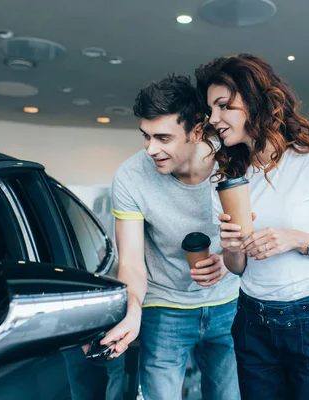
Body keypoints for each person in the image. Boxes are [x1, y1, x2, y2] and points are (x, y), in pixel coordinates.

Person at [195, 54, 309, 400]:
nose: (214, 119)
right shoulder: (227, 180)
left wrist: (298, 240)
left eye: (224, 106)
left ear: (255, 103)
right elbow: (237, 268)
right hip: (252, 322)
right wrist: (231, 247)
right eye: (211, 109)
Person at [101, 74, 241, 400]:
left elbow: (253, 232)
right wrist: (132, 310)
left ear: (195, 130)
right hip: (164, 310)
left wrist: (229, 261)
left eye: (163, 138)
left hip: (229, 305)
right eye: (146, 137)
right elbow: (132, 264)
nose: (151, 149)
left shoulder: (234, 163)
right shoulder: (130, 177)